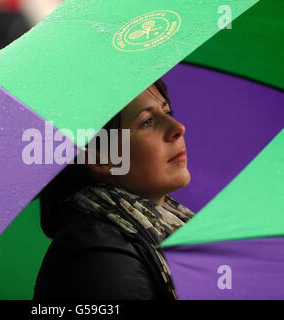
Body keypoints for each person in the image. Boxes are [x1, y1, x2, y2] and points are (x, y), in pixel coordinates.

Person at [33, 79, 195, 300]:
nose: (178, 128)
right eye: (147, 121)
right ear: (100, 159)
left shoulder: (169, 226)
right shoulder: (98, 259)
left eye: (167, 112)